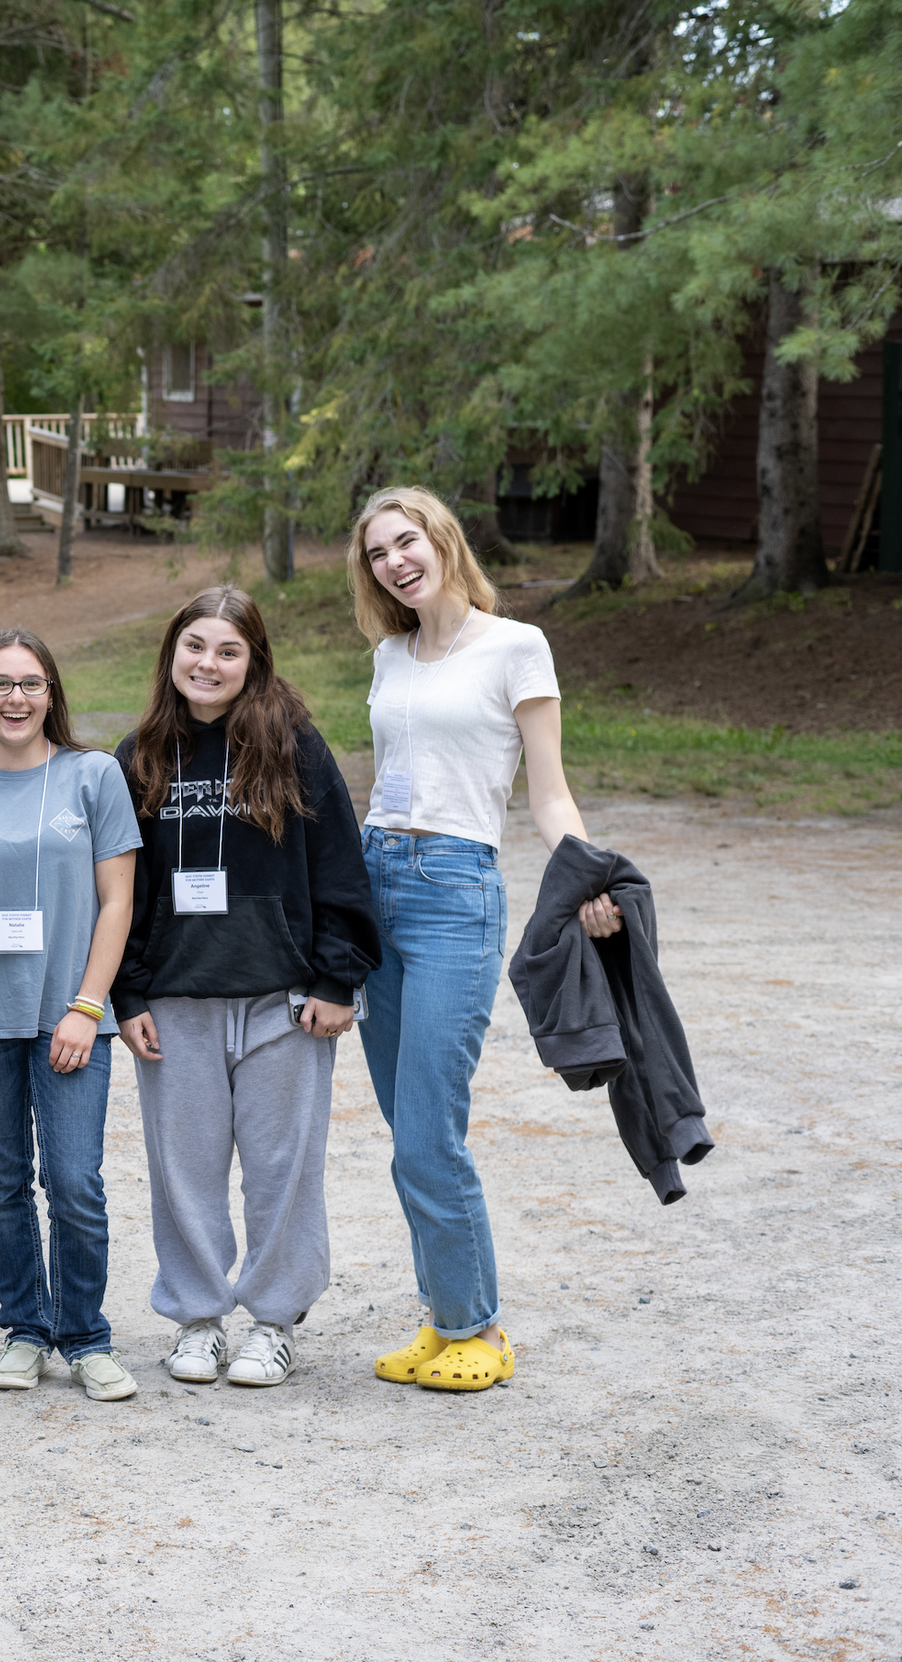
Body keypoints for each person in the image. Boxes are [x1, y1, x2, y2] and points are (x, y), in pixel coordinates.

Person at [350, 486, 621, 1393]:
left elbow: (547, 791)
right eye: (379, 552)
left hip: (453, 894)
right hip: (376, 880)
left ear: (442, 539)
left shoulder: (517, 646)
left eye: (406, 539)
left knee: (432, 1127)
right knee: (404, 1127)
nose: (395, 560)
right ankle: (443, 1316)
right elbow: (388, 780)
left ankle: (481, 1329)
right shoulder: (389, 654)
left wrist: (585, 872)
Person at [112, 588, 380, 1389]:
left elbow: (341, 868)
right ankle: (197, 1320)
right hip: (175, 1004)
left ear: (254, 662)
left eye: (229, 651)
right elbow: (115, 891)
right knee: (183, 1171)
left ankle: (272, 1322)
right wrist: (127, 995)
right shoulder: (138, 757)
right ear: (172, 654)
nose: (209, 664)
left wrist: (338, 977)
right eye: (195, 646)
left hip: (282, 1006)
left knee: (283, 1170)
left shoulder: (294, 749)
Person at [0, 630, 143, 1399]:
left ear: (52, 693)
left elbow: (118, 901)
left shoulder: (94, 776)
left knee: (76, 1180)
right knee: (2, 1183)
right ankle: (25, 1327)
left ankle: (85, 1335)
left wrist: (87, 1007)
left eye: (31, 683)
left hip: (70, 1014)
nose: (16, 698)